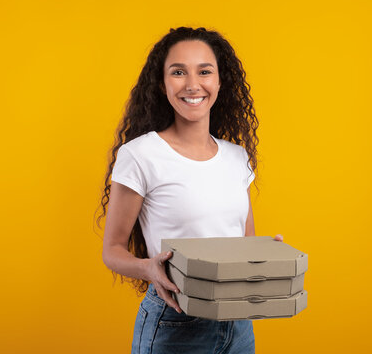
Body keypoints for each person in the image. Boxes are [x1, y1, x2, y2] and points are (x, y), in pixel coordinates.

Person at [97, 26, 283, 354]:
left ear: (220, 82)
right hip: (177, 319)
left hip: (238, 320)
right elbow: (112, 249)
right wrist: (147, 267)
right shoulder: (140, 155)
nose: (192, 84)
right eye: (178, 72)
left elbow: (244, 242)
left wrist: (266, 254)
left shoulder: (237, 157)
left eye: (204, 71)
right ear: (162, 83)